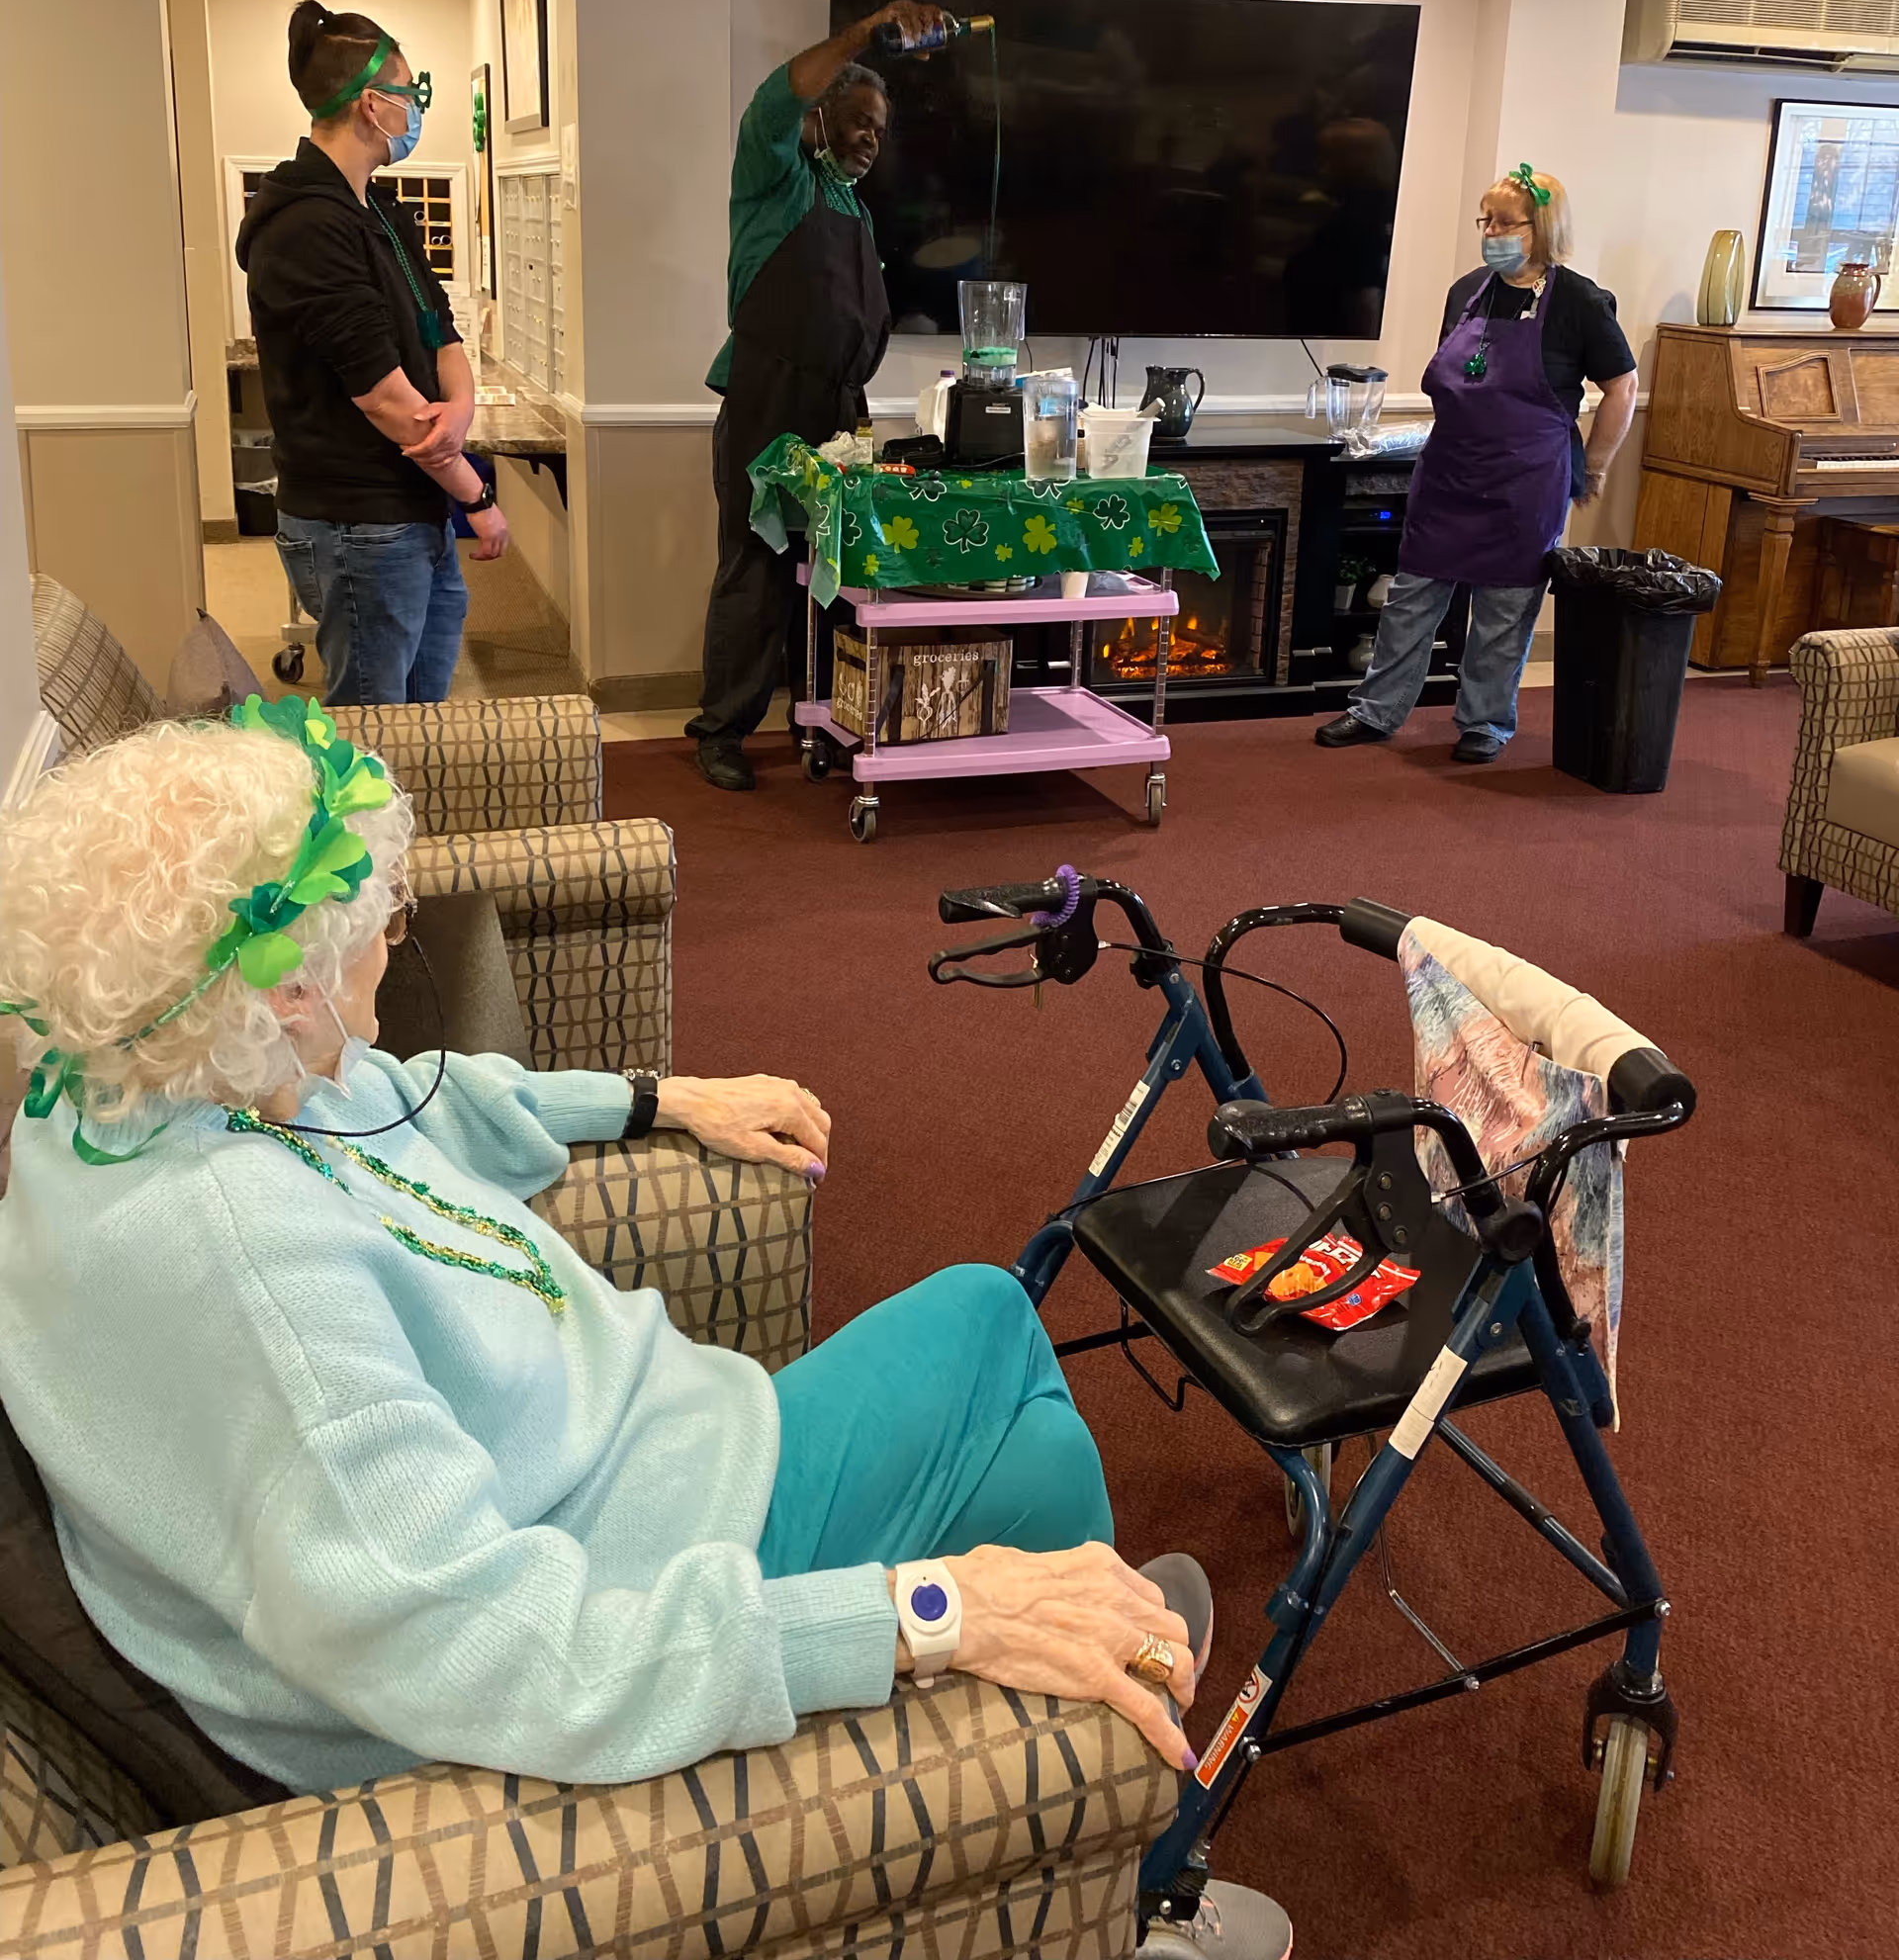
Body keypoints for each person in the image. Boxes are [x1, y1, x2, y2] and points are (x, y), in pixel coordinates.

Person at [0, 703, 1291, 1960]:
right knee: (988, 1322)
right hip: (604, 1580)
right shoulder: (247, 1275)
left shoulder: (131, 1079)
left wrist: (657, 1095)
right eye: (379, 921)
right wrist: (932, 1613)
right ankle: (1118, 1827)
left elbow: (405, 1100)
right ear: (284, 989)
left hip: (621, 1470)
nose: (399, 940)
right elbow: (497, 1653)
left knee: (1003, 1393)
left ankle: (1087, 1729)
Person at [686, 0, 949, 794]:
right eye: (858, 120)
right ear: (818, 116)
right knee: (756, 573)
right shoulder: (775, 176)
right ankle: (720, 732)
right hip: (767, 404)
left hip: (837, 415)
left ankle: (821, 719)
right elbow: (778, 93)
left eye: (880, 127)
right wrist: (865, 36)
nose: (872, 137)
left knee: (828, 575)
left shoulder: (855, 209)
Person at [1316, 164, 1639, 763]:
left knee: (1504, 608)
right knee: (1411, 596)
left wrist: (1594, 469)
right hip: (1450, 473)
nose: (1490, 232)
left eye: (1504, 222)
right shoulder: (1467, 291)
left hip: (1528, 480)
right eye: (1484, 220)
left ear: (1540, 229)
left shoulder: (1580, 302)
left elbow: (1621, 387)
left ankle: (1485, 722)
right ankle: (1376, 710)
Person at [237, 2, 509, 706]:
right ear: (371, 104)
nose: (416, 111)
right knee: (371, 727)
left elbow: (441, 331)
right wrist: (475, 495)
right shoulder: (304, 228)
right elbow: (389, 403)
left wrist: (461, 409)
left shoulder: (379, 212)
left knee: (422, 714)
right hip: (356, 525)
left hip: (412, 509)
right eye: (410, 94)